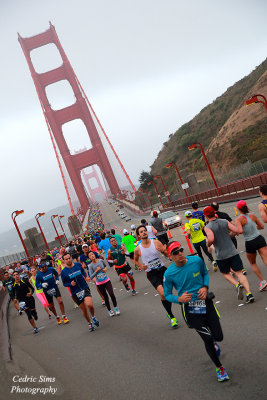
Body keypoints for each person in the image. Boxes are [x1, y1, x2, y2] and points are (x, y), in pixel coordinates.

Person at [163, 241, 229, 382]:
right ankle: (219, 368)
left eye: (180, 250)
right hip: (190, 309)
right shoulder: (169, 274)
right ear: (170, 257)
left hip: (206, 303)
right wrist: (179, 299)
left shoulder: (196, 260)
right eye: (175, 252)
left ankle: (214, 343)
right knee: (207, 338)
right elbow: (167, 294)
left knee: (218, 336)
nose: (180, 253)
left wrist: (205, 287)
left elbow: (205, 273)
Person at [204, 206, 254, 303]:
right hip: (232, 251)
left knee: (225, 273)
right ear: (214, 213)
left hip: (221, 255)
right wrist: (229, 235)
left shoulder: (208, 227)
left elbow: (211, 239)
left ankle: (237, 284)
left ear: (206, 216)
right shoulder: (224, 221)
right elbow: (236, 230)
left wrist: (208, 244)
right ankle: (249, 294)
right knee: (239, 273)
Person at [134, 225, 178, 328]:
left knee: (168, 292)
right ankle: (172, 316)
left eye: (145, 230)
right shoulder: (137, 249)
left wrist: (163, 251)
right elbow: (135, 260)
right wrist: (141, 266)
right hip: (152, 274)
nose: (144, 232)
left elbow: (167, 254)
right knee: (163, 294)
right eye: (141, 232)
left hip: (162, 270)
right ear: (138, 235)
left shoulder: (156, 242)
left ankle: (170, 311)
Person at [61, 253, 99, 332]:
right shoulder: (63, 272)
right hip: (75, 292)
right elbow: (64, 283)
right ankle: (89, 323)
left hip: (84, 287)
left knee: (90, 304)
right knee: (84, 309)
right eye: (66, 259)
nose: (68, 260)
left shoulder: (78, 264)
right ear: (64, 261)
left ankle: (93, 317)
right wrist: (70, 284)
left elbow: (83, 271)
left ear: (71, 258)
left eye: (69, 258)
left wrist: (86, 276)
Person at [235, 200, 267, 291]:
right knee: (266, 259)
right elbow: (261, 226)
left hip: (250, 242)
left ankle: (263, 281)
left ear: (238, 209)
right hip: (259, 238)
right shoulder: (252, 215)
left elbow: (240, 231)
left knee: (253, 263)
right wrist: (253, 228)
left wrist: (235, 231)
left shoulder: (238, 219)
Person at [88, 251, 120, 317]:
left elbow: (106, 266)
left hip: (107, 280)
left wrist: (105, 269)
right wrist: (96, 271)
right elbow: (91, 276)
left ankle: (116, 308)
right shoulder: (90, 266)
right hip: (99, 284)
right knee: (105, 297)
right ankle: (110, 310)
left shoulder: (100, 261)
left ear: (95, 255)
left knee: (111, 294)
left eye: (92, 254)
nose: (92, 256)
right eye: (90, 255)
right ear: (89, 258)